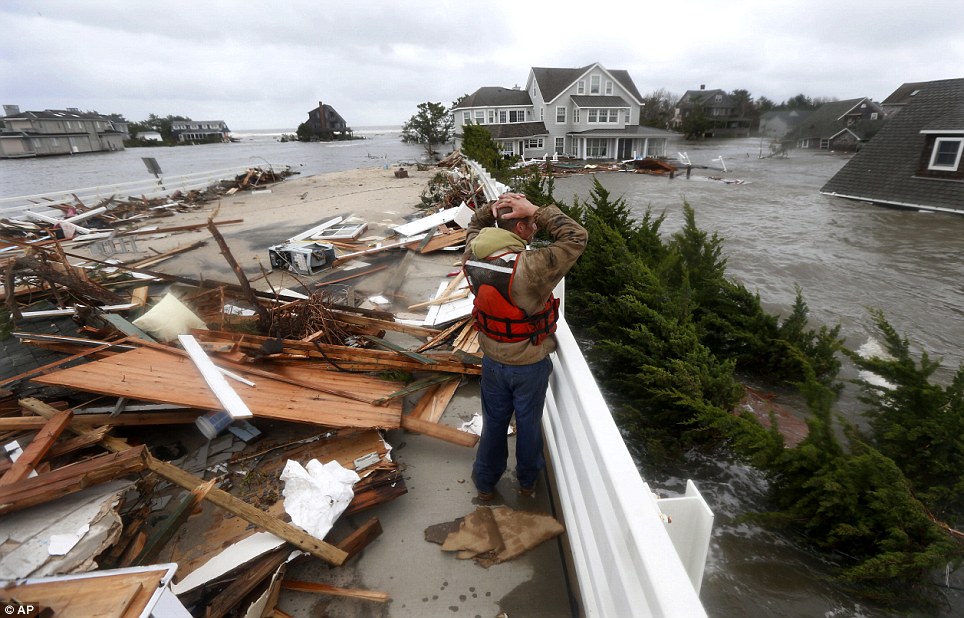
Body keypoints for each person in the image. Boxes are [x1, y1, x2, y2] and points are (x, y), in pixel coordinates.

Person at [462, 192, 587, 500]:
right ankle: (527, 483)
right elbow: (576, 236)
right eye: (531, 223)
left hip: (492, 359)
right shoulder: (532, 266)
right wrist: (537, 209)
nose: (534, 228)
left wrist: (493, 210)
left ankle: (485, 483)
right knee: (529, 426)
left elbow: (474, 227)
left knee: (493, 424)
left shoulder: (472, 252)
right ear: (519, 229)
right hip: (529, 364)